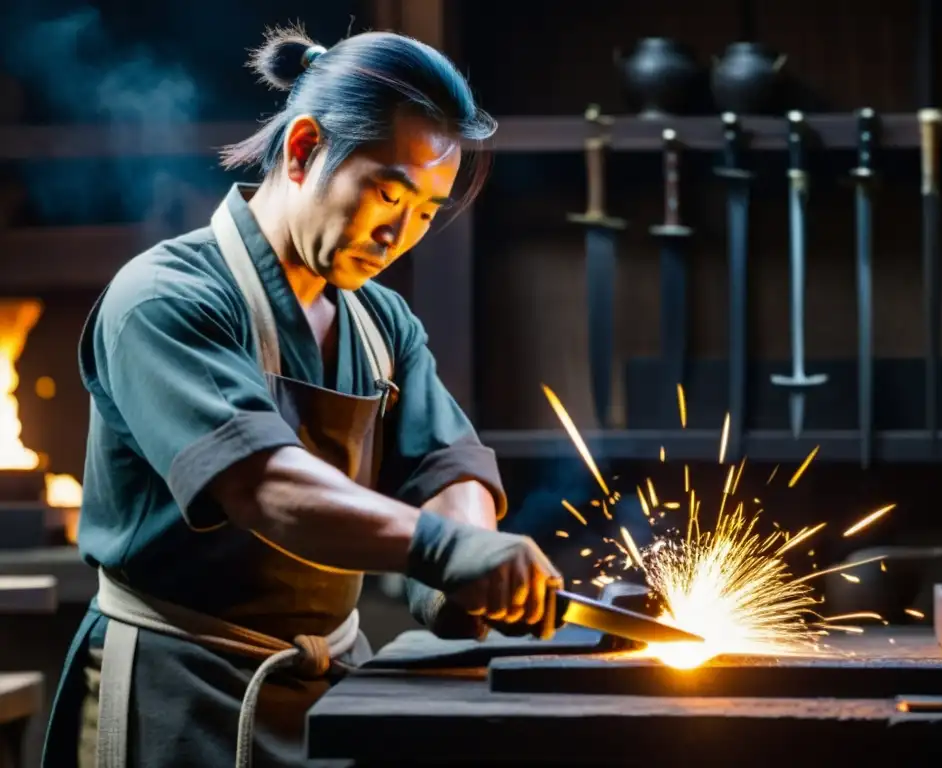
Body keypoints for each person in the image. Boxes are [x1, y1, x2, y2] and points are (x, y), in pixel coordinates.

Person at [42, 24, 564, 768]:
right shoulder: (163, 299)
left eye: (426, 212)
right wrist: (448, 550)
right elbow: (264, 485)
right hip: (171, 695)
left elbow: (446, 466)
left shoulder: (380, 322)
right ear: (302, 149)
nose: (400, 235)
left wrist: (467, 562)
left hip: (333, 693)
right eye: (389, 193)